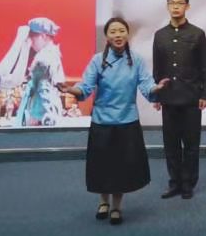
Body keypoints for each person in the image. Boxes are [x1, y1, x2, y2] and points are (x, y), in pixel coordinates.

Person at [58, 17, 169, 225]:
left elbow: (147, 85)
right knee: (102, 165)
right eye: (113, 31)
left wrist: (157, 88)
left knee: (121, 167)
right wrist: (71, 90)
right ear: (107, 37)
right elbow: (85, 88)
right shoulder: (97, 60)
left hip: (127, 121)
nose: (118, 35)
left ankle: (117, 206)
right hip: (102, 121)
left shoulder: (136, 60)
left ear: (127, 34)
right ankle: (103, 202)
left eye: (121, 31)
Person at [153, 0, 206, 199]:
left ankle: (188, 183)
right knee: (171, 144)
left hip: (191, 97)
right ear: (167, 6)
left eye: (180, 3)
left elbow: (205, 67)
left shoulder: (197, 34)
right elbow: (157, 69)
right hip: (168, 97)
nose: (175, 6)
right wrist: (157, 95)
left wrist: (205, 94)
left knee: (191, 144)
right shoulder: (160, 35)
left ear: (187, 6)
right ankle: (174, 182)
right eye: (172, 3)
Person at [16, 17, 66, 126]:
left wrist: (37, 116)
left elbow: (44, 90)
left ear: (43, 36)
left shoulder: (44, 58)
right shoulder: (52, 54)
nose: (30, 40)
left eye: (32, 35)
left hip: (41, 116)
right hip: (46, 114)